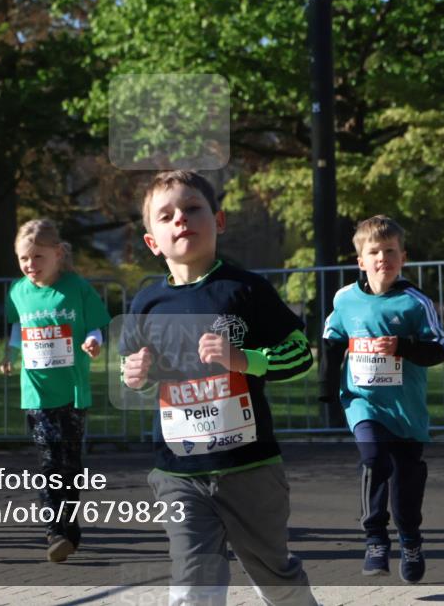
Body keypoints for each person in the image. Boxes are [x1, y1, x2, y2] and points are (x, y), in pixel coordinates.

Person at [120, 170, 319, 606]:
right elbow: (133, 375)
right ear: (152, 241)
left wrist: (243, 360)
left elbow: (300, 354)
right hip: (178, 472)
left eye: (193, 209)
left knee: (273, 573)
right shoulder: (146, 303)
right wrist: (135, 375)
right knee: (193, 579)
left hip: (249, 467)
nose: (181, 219)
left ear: (219, 221)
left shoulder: (246, 289)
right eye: (166, 216)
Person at [318, 215, 444, 584]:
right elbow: (331, 341)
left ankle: (410, 540)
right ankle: (375, 538)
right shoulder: (346, 299)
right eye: (374, 252)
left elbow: (440, 347)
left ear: (403, 257)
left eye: (390, 251)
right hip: (362, 401)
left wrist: (402, 346)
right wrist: (327, 389)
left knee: (406, 484)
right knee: (374, 458)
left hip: (405, 408)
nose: (383, 258)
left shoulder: (414, 302)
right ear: (361, 260)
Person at [0, 218, 111, 563]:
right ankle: (54, 531)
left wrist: (93, 340)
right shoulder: (18, 291)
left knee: (70, 463)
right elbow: (18, 328)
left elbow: (95, 325)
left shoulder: (76, 288)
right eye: (23, 258)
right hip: (36, 393)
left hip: (73, 391)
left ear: (58, 254)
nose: (30, 265)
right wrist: (10, 353)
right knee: (49, 460)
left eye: (38, 257)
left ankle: (69, 525)